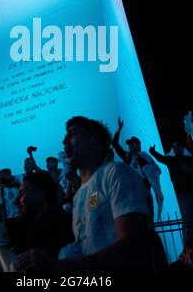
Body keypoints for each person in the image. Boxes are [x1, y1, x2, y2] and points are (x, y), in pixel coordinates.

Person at [15, 116, 156, 272]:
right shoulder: (80, 195)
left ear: (94, 141)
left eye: (73, 134)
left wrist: (55, 266)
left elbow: (133, 248)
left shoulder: (116, 174)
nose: (64, 141)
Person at [149, 141, 193, 243]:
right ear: (173, 149)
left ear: (182, 148)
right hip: (183, 195)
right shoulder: (171, 160)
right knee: (188, 221)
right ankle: (188, 246)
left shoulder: (190, 160)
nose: (177, 148)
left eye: (178, 146)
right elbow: (161, 158)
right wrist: (153, 152)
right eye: (174, 146)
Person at [112, 118, 164, 221]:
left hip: (144, 190)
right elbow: (115, 144)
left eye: (132, 143)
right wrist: (119, 129)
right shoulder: (127, 157)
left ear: (138, 145)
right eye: (129, 144)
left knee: (148, 217)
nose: (129, 145)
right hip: (131, 192)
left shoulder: (145, 156)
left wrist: (139, 158)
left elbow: (156, 170)